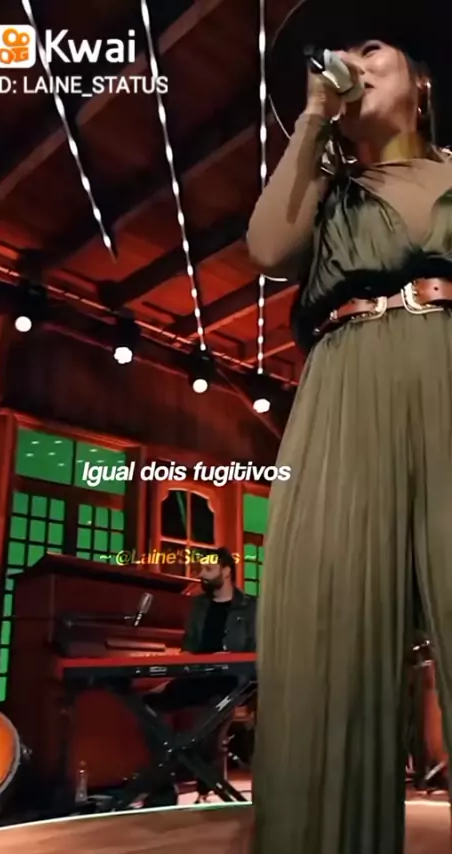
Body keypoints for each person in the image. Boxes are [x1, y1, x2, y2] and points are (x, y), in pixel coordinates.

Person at [246, 2, 451, 853]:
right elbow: (268, 249)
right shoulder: (326, 194)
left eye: (372, 46)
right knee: (326, 637)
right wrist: (311, 121)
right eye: (339, 53)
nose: (351, 63)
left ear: (422, 80)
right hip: (342, 395)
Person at [143, 548, 256, 806]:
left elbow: (256, 650)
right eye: (201, 569)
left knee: (206, 731)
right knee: (148, 705)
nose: (202, 575)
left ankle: (209, 784)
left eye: (208, 569)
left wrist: (229, 656)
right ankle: (162, 789)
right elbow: (189, 645)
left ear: (226, 571)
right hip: (196, 676)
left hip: (231, 682)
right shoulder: (198, 605)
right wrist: (180, 664)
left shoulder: (250, 607)